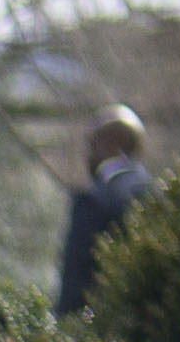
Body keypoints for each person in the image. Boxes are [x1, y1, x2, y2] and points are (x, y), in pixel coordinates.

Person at [52, 108, 154, 318]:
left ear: (113, 144)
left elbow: (76, 279)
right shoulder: (159, 193)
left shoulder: (93, 200)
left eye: (92, 145)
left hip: (102, 327)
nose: (88, 155)